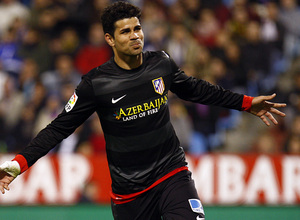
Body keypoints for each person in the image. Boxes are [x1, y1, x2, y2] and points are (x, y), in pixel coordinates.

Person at [0, 1, 286, 220]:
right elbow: (58, 127)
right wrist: (18, 164)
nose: (135, 35)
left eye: (138, 28)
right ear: (110, 39)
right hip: (129, 194)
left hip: (171, 173)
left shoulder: (160, 63)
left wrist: (246, 103)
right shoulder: (95, 83)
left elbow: (197, 90)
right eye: (126, 31)